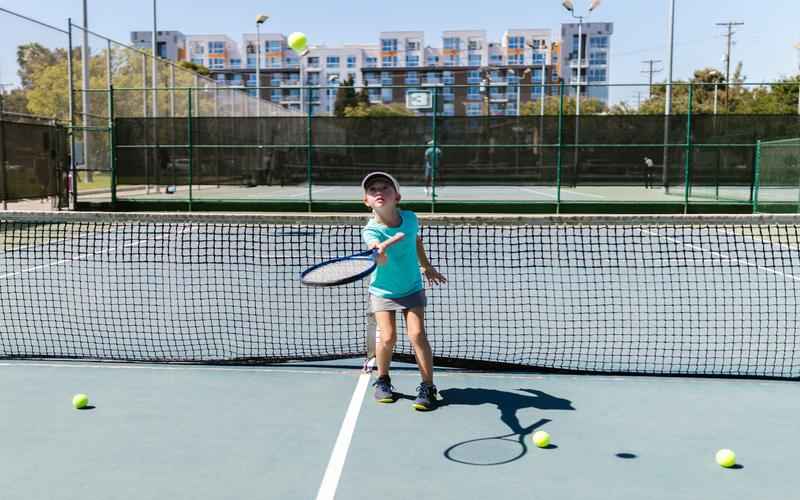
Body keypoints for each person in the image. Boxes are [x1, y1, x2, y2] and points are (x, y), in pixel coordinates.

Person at [361, 171, 447, 410]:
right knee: (387, 337)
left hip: (411, 288)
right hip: (383, 291)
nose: (379, 192)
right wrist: (380, 251)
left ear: (396, 196)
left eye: (385, 188)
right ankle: (382, 380)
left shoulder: (410, 218)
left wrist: (426, 265)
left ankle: (428, 386)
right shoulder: (370, 231)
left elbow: (415, 240)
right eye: (372, 190)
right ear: (366, 201)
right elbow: (379, 256)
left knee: (417, 335)